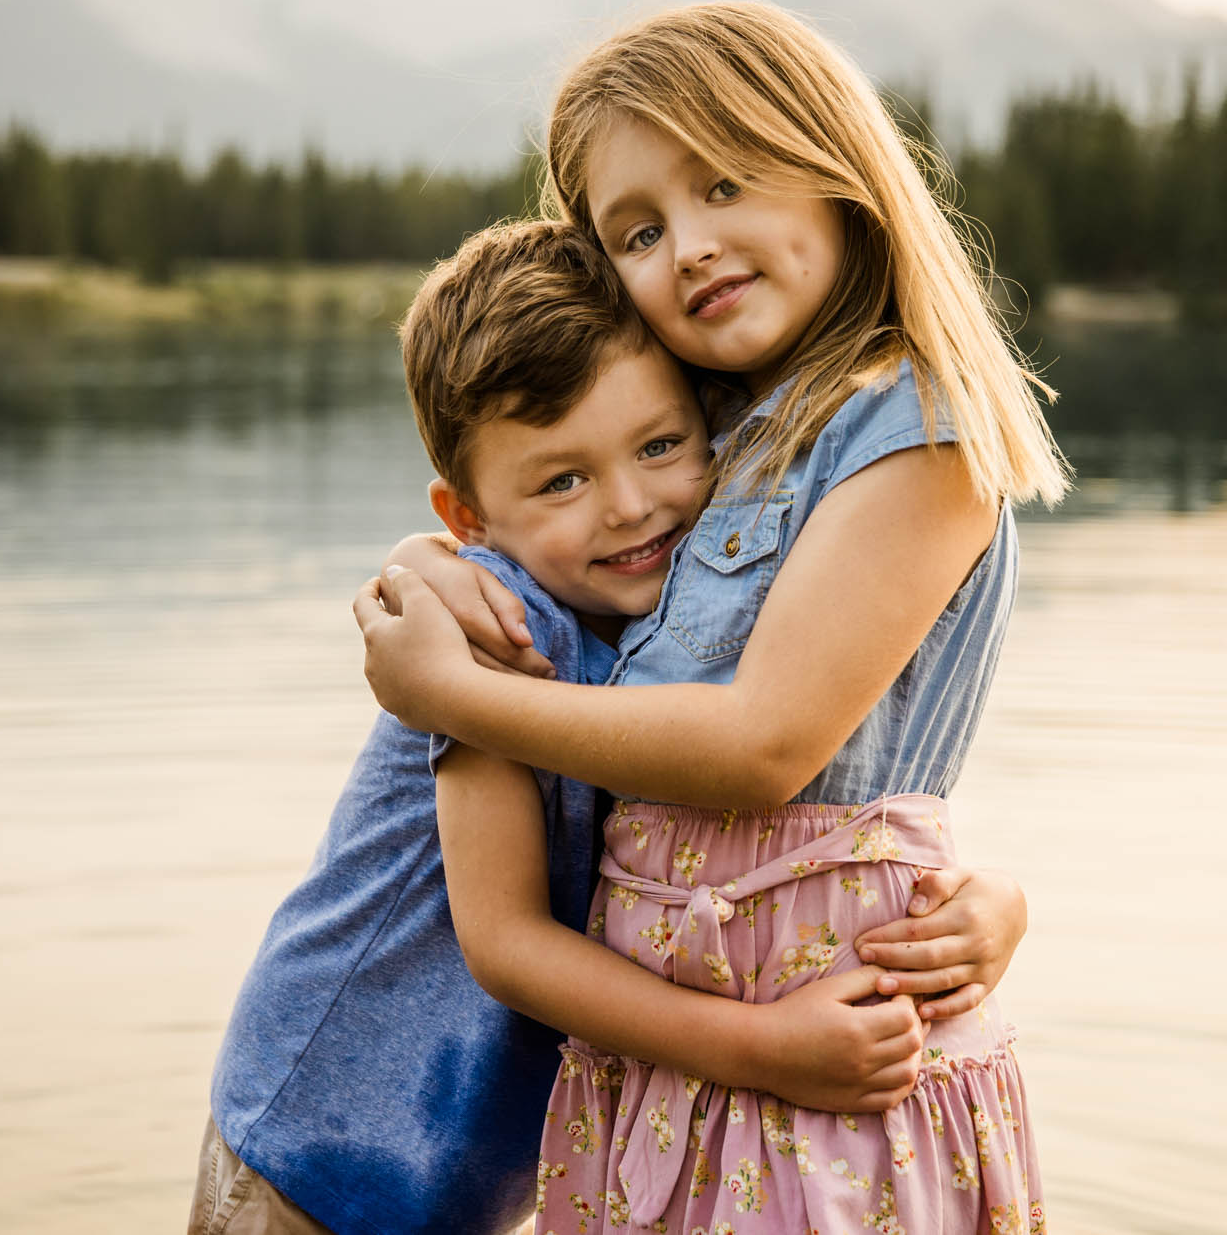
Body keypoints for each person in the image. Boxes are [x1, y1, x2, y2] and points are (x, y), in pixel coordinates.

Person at [354, 0, 1067, 1233]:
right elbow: (551, 520)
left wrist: (454, 695)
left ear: (837, 170)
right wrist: (435, 563)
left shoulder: (917, 428)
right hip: (670, 1077)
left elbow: (770, 747)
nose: (687, 246)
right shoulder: (710, 439)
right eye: (638, 230)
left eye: (725, 182)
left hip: (823, 1079)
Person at [192, 219, 1031, 1235]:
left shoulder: (694, 598)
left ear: (710, 428)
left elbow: (849, 780)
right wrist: (762, 1049)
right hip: (325, 1144)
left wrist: (985, 901)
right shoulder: (489, 632)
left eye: (659, 445)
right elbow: (503, 941)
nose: (630, 506)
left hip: (474, 1161)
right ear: (466, 518)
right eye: (561, 480)